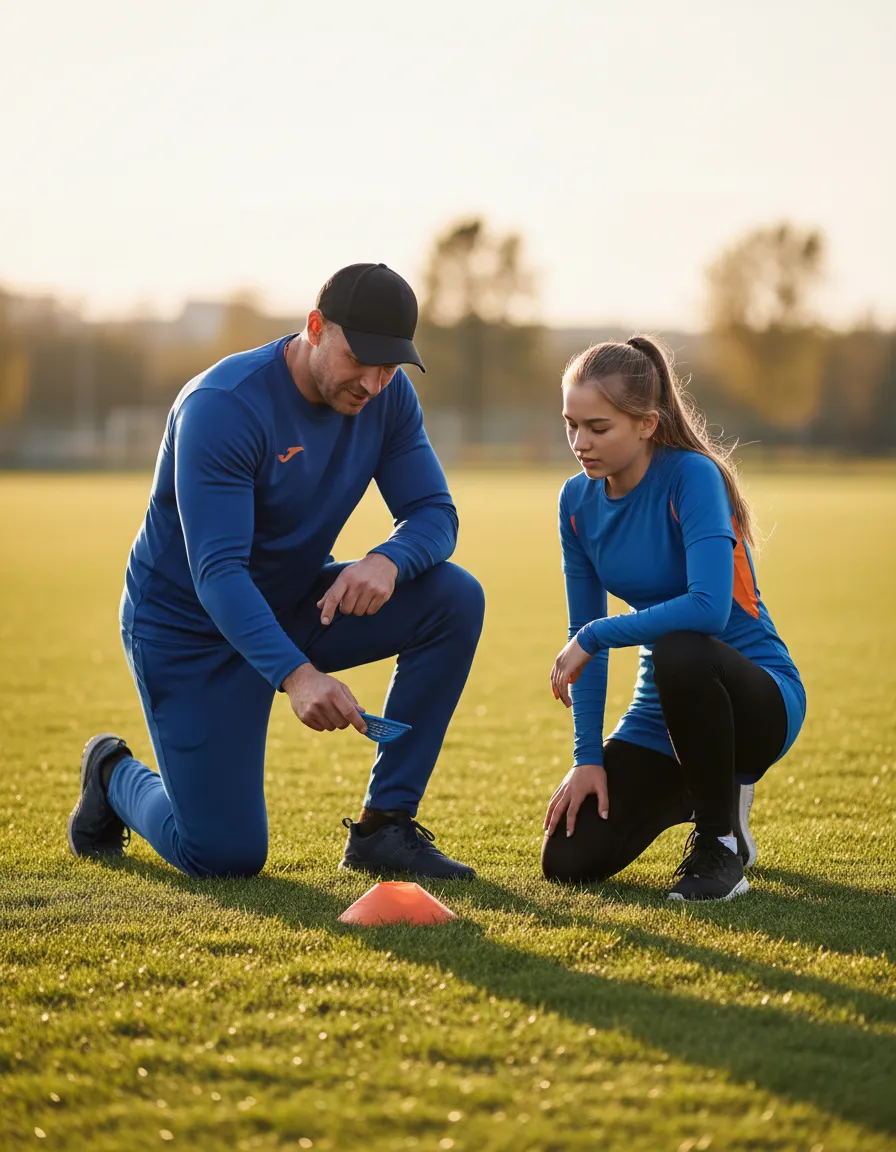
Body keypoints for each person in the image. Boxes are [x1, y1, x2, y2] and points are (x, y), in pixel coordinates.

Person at [68, 263, 484, 880]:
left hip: (292, 604)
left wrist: (388, 559)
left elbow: (434, 513)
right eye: (360, 359)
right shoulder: (222, 407)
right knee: (223, 855)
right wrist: (298, 676)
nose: (373, 383)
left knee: (454, 598)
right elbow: (218, 572)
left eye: (390, 366)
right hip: (187, 630)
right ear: (315, 327)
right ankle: (110, 773)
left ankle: (384, 828)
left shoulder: (389, 396)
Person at [541, 336, 805, 901]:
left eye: (598, 427)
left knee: (681, 648)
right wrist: (587, 759)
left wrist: (596, 634)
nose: (580, 443)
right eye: (571, 425)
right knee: (568, 858)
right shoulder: (575, 502)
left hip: (754, 699)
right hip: (660, 709)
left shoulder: (691, 476)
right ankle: (707, 788)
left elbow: (708, 609)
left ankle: (720, 841)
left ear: (647, 424)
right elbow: (582, 638)